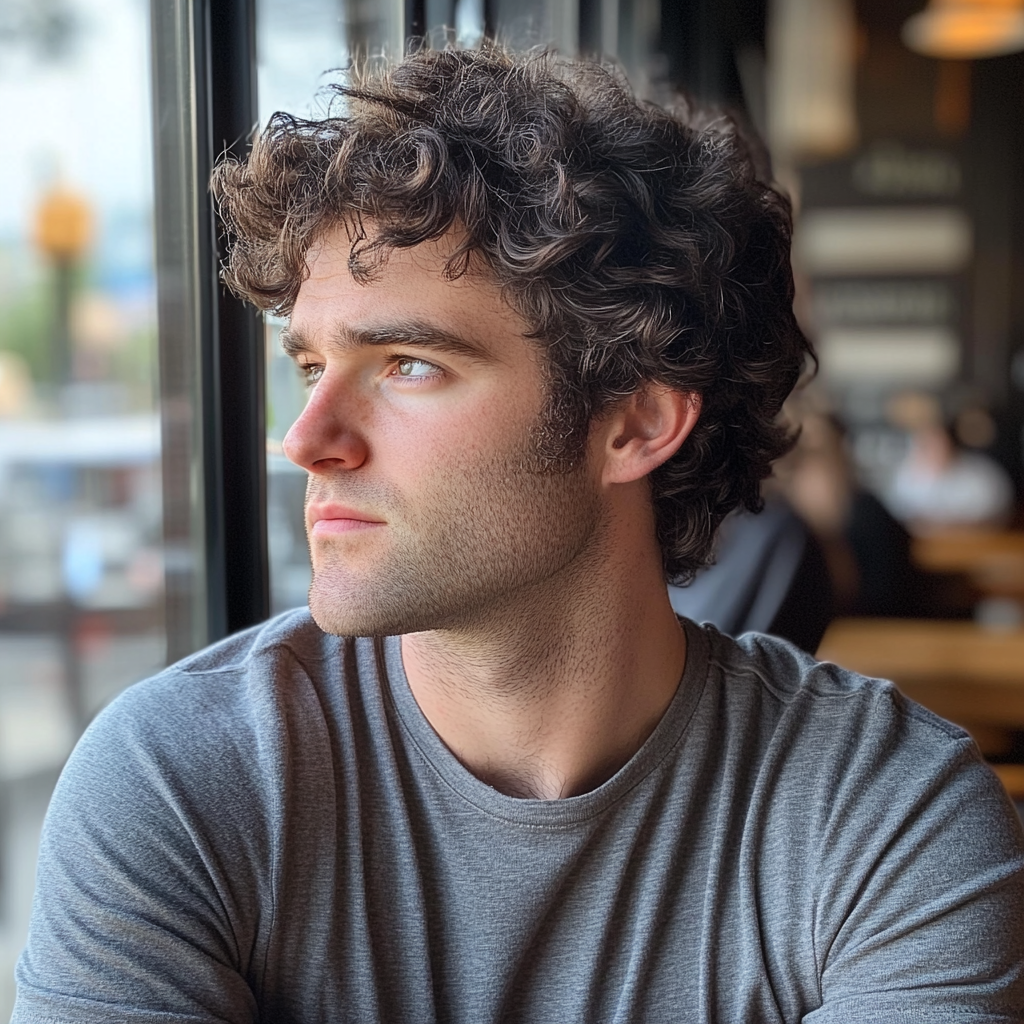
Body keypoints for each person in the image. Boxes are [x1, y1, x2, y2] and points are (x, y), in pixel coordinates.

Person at [13, 46, 1024, 1023]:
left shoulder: (888, 813)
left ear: (632, 420)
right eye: (312, 367)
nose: (305, 439)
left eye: (407, 363)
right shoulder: (180, 780)